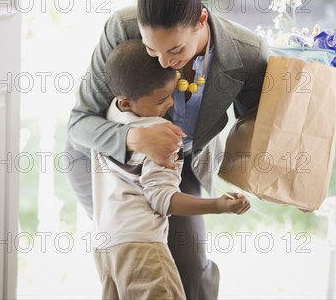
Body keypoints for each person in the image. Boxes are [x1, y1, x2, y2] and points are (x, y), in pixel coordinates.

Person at [66, 0, 269, 299]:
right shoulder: (122, 29)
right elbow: (79, 123)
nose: (164, 62)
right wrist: (135, 137)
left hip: (177, 164)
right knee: (133, 260)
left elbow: (258, 130)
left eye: (175, 49)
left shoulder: (247, 55)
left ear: (201, 19)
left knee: (190, 273)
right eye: (151, 50)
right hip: (107, 167)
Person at [92, 39, 250, 300]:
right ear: (127, 102)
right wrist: (218, 205)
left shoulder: (108, 117)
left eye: (171, 94)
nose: (170, 105)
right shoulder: (161, 137)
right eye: (161, 100)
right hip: (142, 248)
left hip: (105, 245)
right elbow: (164, 199)